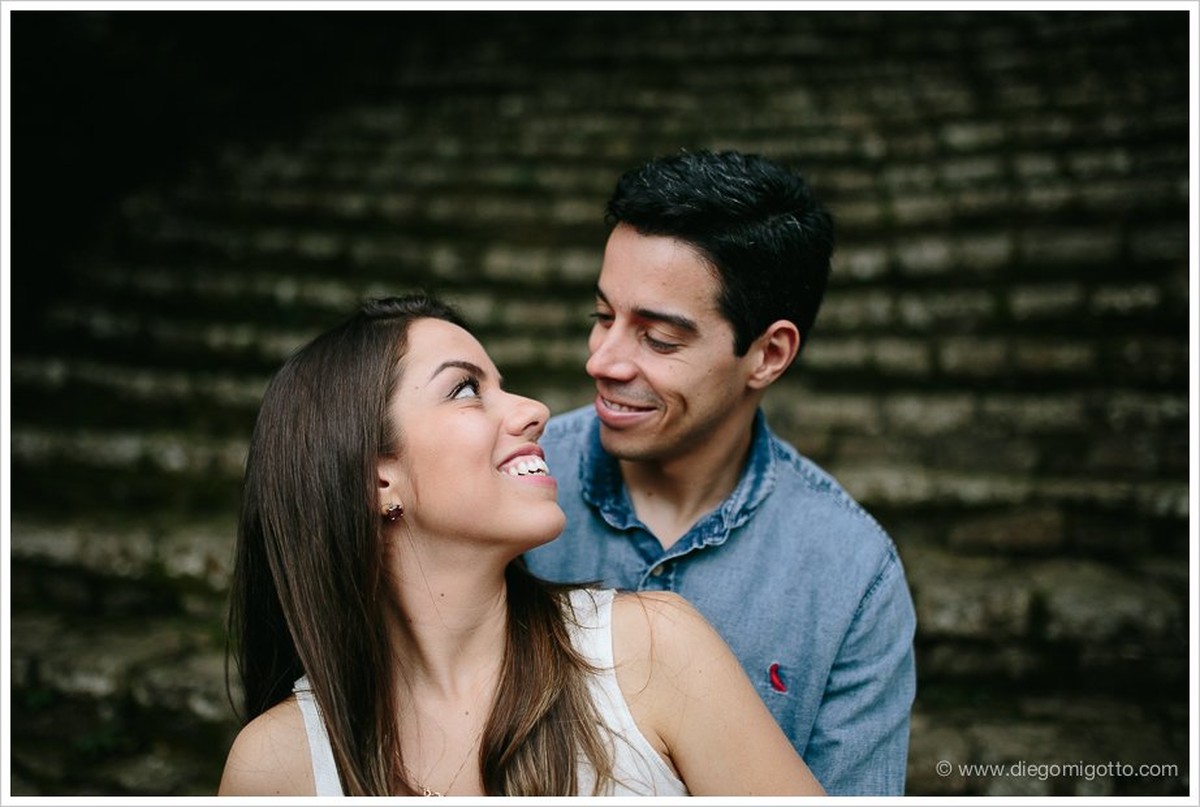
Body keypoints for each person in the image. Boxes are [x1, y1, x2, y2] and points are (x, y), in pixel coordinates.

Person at [217, 294, 825, 797]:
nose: (535, 410)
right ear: (377, 478)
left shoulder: (653, 652)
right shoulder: (277, 765)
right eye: (464, 390)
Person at [523, 150, 918, 795]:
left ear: (768, 353)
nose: (602, 360)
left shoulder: (852, 576)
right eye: (603, 317)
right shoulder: (515, 479)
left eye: (659, 339)